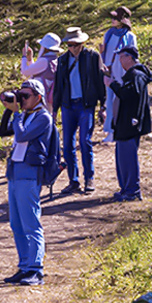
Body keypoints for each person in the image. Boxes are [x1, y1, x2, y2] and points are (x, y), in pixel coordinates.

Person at [0, 80, 55, 286]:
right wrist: (9, 109)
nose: (22, 100)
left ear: (38, 97)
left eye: (25, 96)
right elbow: (3, 132)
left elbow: (21, 135)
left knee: (31, 223)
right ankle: (24, 266)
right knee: (17, 224)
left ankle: (36, 269)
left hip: (30, 172)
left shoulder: (43, 118)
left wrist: (16, 113)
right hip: (15, 172)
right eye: (19, 95)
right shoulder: (25, 115)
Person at [52, 27, 107, 195]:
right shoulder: (61, 61)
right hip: (68, 106)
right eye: (69, 45)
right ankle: (73, 180)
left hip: (86, 105)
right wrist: (54, 110)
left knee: (85, 141)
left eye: (75, 44)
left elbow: (99, 81)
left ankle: (89, 178)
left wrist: (103, 105)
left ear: (82, 43)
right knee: (67, 145)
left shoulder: (92, 57)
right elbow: (58, 87)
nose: (72, 48)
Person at [107, 46, 152, 202]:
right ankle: (126, 189)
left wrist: (112, 84)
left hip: (129, 125)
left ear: (130, 57)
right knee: (122, 159)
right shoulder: (133, 75)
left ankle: (132, 191)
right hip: (124, 125)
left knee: (128, 159)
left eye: (122, 57)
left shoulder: (136, 75)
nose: (120, 60)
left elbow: (129, 95)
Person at [100, 7, 137, 142]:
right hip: (109, 71)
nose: (112, 20)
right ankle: (110, 130)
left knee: (121, 101)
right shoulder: (109, 34)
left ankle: (122, 128)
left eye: (115, 18)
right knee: (109, 102)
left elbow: (134, 57)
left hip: (122, 73)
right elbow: (105, 52)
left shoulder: (130, 37)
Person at [21, 33, 64, 111]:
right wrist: (30, 59)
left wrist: (24, 57)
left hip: (40, 98)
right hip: (48, 96)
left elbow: (25, 71)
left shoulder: (44, 61)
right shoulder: (54, 60)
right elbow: (35, 70)